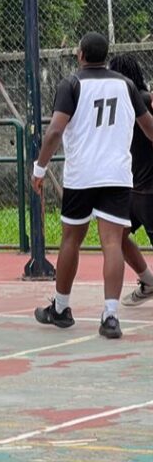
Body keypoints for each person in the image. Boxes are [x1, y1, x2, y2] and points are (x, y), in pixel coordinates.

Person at [33, 33, 153, 339]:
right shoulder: (126, 86)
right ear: (105, 55)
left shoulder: (71, 84)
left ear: (81, 54)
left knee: (71, 240)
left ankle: (61, 308)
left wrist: (39, 168)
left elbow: (54, 131)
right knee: (112, 243)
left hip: (82, 176)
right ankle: (110, 316)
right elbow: (149, 127)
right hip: (117, 176)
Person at [107, 54, 153, 306]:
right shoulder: (118, 102)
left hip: (148, 189)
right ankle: (148, 281)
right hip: (132, 187)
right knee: (116, 236)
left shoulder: (143, 99)